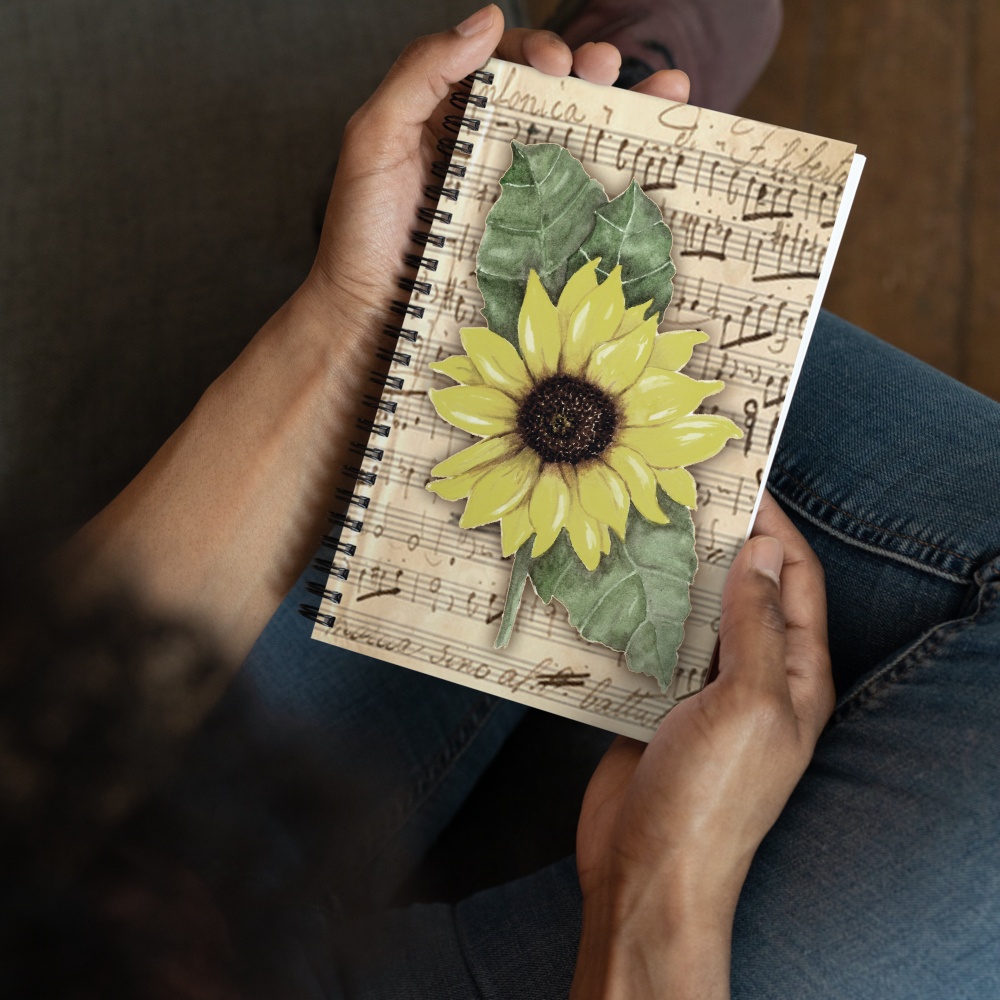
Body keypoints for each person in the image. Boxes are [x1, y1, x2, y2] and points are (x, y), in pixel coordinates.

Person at [4, 6, 1000, 998]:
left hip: (102, 906)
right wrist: (656, 896)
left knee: (465, 382)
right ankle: (589, 194)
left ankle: (519, 219)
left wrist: (348, 324)